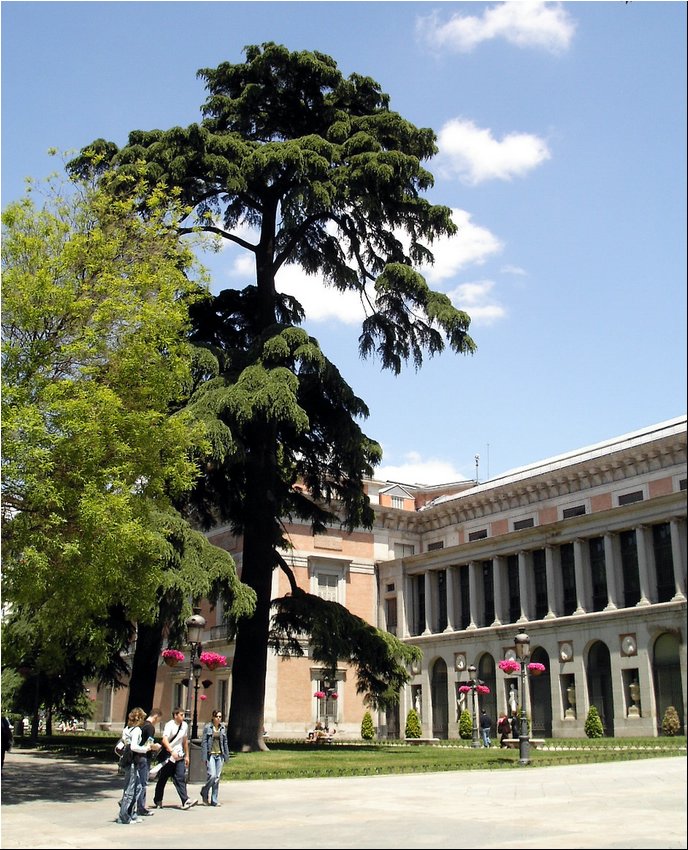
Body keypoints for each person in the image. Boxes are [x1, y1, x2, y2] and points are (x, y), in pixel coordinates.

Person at [152, 707, 198, 810]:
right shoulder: (169, 725)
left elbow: (185, 741)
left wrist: (187, 756)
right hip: (168, 756)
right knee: (163, 778)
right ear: (175, 715)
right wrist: (171, 751)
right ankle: (158, 799)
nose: (183, 717)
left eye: (183, 715)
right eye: (181, 715)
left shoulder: (184, 725)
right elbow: (164, 740)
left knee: (180, 777)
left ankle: (185, 800)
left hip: (179, 756)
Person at [117, 707, 156, 825]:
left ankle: (131, 813)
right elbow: (134, 746)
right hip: (133, 760)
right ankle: (124, 816)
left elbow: (124, 743)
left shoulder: (126, 729)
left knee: (137, 787)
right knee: (130, 788)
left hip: (127, 760)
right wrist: (147, 748)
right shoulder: (137, 730)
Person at [136, 707, 162, 817]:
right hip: (144, 757)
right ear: (156, 717)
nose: (158, 722)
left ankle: (128, 801)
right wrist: (156, 746)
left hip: (136, 755)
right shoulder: (150, 728)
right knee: (143, 783)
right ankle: (141, 807)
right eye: (159, 720)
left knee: (136, 781)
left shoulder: (141, 725)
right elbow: (149, 744)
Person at [200, 709, 230, 806]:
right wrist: (204, 756)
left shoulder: (222, 728)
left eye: (220, 717)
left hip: (219, 755)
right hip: (211, 755)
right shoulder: (208, 727)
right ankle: (205, 791)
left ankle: (214, 800)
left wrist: (226, 755)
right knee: (212, 775)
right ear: (213, 717)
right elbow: (204, 742)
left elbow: (225, 742)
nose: (218, 718)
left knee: (217, 778)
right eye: (217, 716)